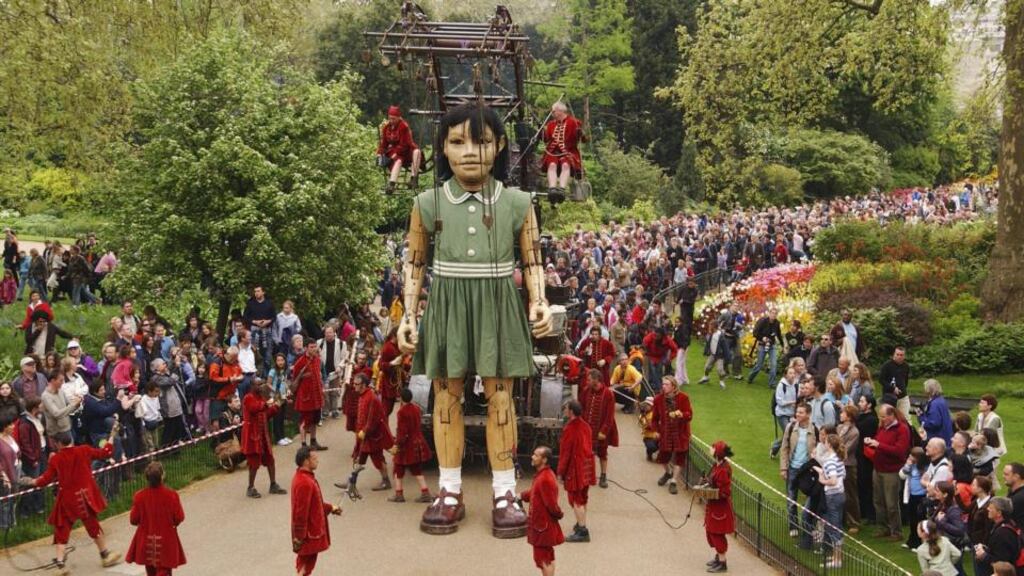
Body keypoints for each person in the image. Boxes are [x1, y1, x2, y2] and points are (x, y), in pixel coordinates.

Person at [398, 104, 553, 538]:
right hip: (448, 301)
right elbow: (414, 263)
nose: (469, 152)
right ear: (443, 149)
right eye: (457, 141)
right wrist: (408, 314)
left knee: (500, 395)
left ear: (499, 146)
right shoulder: (427, 203)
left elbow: (534, 257)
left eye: (481, 141)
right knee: (446, 395)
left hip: (497, 302)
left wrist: (538, 299)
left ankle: (505, 490)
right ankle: (449, 489)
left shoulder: (519, 202)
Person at [23, 430, 122, 574]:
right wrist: (112, 436)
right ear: (70, 440)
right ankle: (105, 555)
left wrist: (31, 481)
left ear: (58, 444)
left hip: (67, 500)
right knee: (93, 526)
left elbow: (45, 480)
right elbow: (105, 453)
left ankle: (60, 565)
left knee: (62, 529)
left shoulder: (56, 459)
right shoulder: (84, 450)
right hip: (84, 498)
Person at [335, 373, 393, 495]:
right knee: (359, 459)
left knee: (378, 460)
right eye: (354, 383)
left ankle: (386, 481)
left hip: (372, 437)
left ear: (364, 385)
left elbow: (373, 419)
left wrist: (365, 431)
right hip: (363, 436)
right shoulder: (362, 396)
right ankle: (351, 482)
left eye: (357, 384)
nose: (354, 386)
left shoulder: (371, 398)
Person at [126, 461, 186, 576]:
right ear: (162, 476)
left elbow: (133, 520)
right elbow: (179, 517)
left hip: (146, 542)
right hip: (166, 542)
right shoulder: (172, 495)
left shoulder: (139, 496)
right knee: (164, 572)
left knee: (151, 573)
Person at [291, 446, 342, 576]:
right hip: (308, 534)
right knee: (304, 567)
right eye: (314, 458)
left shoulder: (305, 478)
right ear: (306, 461)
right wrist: (299, 537)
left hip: (308, 533)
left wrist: (331, 508)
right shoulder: (304, 482)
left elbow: (315, 504)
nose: (317, 461)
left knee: (306, 565)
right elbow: (300, 513)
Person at [864, 403, 912, 540]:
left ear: (892, 415)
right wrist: (871, 442)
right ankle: (883, 527)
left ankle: (896, 531)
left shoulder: (902, 429)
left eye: (884, 417)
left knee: (891, 503)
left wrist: (879, 445)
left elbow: (900, 451)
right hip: (878, 468)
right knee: (878, 501)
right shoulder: (882, 428)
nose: (881, 419)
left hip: (892, 470)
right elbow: (880, 443)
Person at [557, 400, 596, 543]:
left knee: (575, 500)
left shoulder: (570, 429)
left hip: (576, 468)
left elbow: (565, 453)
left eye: (566, 408)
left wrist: (560, 472)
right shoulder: (586, 426)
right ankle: (581, 523)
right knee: (583, 497)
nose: (565, 410)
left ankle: (582, 530)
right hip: (587, 466)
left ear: (571, 411)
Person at [522, 445, 564, 576]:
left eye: (536, 455)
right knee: (546, 558)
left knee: (544, 559)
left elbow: (552, 505)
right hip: (542, 526)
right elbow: (535, 493)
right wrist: (521, 496)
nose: (532, 457)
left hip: (542, 527)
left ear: (544, 460)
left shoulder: (545, 479)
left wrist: (559, 514)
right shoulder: (542, 475)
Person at [241, 380, 287, 499]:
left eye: (262, 384)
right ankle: (250, 487)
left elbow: (266, 415)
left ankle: (273, 484)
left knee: (270, 460)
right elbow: (254, 408)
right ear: (252, 386)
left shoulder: (261, 397)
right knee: (254, 463)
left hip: (263, 434)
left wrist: (277, 406)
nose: (261, 387)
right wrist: (267, 404)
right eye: (259, 385)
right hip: (252, 435)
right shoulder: (248, 398)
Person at [388, 388, 433, 503]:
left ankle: (399, 494)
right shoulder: (416, 408)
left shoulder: (401, 412)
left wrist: (396, 445)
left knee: (398, 468)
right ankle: (425, 492)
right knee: (416, 470)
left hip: (406, 445)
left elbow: (402, 431)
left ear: (402, 398)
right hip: (418, 441)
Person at [780, 403, 817, 537]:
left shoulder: (815, 430)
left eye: (801, 412)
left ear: (808, 414)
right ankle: (793, 525)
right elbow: (784, 448)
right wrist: (784, 468)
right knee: (791, 499)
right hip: (793, 468)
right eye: (797, 412)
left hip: (807, 470)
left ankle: (809, 526)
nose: (797, 414)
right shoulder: (790, 428)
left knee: (810, 500)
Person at [652, 375, 693, 495]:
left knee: (680, 458)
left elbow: (689, 415)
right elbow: (654, 419)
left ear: (673, 387)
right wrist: (655, 431)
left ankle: (673, 481)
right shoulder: (658, 399)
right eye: (663, 384)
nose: (663, 386)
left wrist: (681, 415)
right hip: (666, 432)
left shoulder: (683, 398)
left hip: (681, 432)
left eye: (666, 384)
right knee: (662, 457)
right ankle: (668, 472)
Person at [812, 433, 847, 569]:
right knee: (835, 525)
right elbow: (839, 475)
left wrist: (822, 479)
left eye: (826, 442)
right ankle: (836, 555)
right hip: (839, 494)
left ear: (829, 445)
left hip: (833, 495)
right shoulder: (838, 459)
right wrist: (821, 470)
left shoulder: (831, 461)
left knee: (834, 527)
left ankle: (837, 560)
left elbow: (832, 480)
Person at [580, 368, 618, 489]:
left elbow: (610, 415)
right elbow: (581, 407)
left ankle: (603, 475)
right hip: (587, 429)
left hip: (601, 430)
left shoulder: (608, 394)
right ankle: (586, 475)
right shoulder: (586, 391)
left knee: (602, 453)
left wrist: (604, 431)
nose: (587, 381)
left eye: (589, 379)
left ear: (596, 380)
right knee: (586, 453)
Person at [540, 101, 584, 199]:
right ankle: (552, 189)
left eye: (553, 111)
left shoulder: (573, 122)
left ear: (560, 111)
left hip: (568, 151)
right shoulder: (551, 124)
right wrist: (541, 132)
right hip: (553, 152)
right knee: (551, 165)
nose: (552, 113)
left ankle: (561, 189)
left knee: (565, 165)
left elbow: (583, 138)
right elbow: (546, 139)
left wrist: (580, 133)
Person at [704, 441, 735, 573]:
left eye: (713, 448)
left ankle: (723, 563)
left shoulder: (723, 470)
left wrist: (711, 492)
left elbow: (725, 492)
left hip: (720, 508)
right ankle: (718, 557)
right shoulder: (717, 465)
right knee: (711, 531)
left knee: (717, 533)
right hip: (714, 506)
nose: (711, 449)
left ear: (717, 453)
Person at [377, 105, 423, 193]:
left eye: (394, 119)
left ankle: (413, 180)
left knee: (417, 152)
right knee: (398, 161)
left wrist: (395, 154)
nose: (391, 121)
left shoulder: (403, 126)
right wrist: (379, 153)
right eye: (390, 118)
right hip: (394, 151)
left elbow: (405, 144)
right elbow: (384, 144)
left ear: (398, 118)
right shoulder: (386, 128)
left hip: (406, 149)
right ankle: (391, 185)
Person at [291, 338, 326, 451]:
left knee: (315, 420)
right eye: (311, 347)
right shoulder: (300, 362)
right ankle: (303, 444)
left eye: (315, 346)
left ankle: (313, 441)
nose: (314, 349)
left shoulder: (317, 360)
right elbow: (295, 379)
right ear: (306, 348)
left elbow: (319, 375)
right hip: (305, 397)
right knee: (304, 421)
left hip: (316, 395)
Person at [973, 497, 1022, 576]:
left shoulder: (1003, 533)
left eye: (991, 508)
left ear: (999, 513)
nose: (987, 509)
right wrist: (986, 549)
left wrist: (984, 556)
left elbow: (1002, 562)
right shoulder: (1006, 524)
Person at [837, 404, 861, 533]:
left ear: (849, 416)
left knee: (850, 494)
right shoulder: (839, 427)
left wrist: (835, 448)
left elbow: (846, 449)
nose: (840, 414)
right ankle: (842, 519)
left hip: (848, 466)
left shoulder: (854, 432)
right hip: (838, 464)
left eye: (843, 413)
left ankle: (854, 522)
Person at [747, 309, 784, 386]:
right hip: (762, 345)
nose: (773, 315)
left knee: (774, 364)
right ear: (769, 313)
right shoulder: (763, 321)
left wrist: (782, 345)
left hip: (772, 345)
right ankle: (750, 378)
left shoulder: (777, 323)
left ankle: (772, 383)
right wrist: (762, 338)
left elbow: (779, 334)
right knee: (759, 365)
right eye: (772, 313)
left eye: (775, 314)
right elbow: (755, 333)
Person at [968, 476, 996, 576]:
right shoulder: (977, 502)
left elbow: (988, 529)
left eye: (974, 485)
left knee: (982, 571)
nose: (971, 486)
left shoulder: (989, 506)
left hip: (981, 545)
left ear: (980, 488)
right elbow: (965, 510)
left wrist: (982, 545)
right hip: (975, 542)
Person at [770, 367, 799, 459]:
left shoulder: (796, 385)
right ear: (786, 375)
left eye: (793, 373)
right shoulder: (781, 386)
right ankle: (779, 450)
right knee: (788, 433)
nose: (792, 375)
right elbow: (780, 402)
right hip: (782, 414)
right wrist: (791, 403)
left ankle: (775, 447)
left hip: (791, 414)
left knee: (789, 434)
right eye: (790, 373)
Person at [879, 347, 911, 419]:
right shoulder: (887, 366)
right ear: (894, 354)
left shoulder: (906, 366)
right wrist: (892, 388)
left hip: (903, 396)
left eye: (901, 355)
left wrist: (903, 388)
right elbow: (881, 380)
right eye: (897, 354)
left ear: (904, 356)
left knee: (906, 418)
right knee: (889, 418)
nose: (899, 356)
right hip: (889, 397)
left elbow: (905, 380)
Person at [919, 379, 953, 445]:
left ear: (928, 390)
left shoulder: (934, 404)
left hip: (938, 440)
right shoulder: (941, 400)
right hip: (946, 437)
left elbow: (934, 424)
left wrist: (921, 417)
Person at [1005, 462, 1024, 528]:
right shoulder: (1012, 491)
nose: (1003, 476)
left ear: (1016, 476)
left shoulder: (1019, 498)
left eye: (1006, 474)